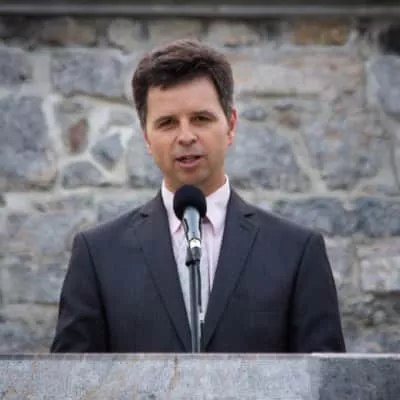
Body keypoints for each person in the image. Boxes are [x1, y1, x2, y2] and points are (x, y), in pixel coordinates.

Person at [51, 39, 346, 353]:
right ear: (147, 138)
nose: (186, 136)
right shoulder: (98, 255)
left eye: (201, 119)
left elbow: (326, 375)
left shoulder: (296, 252)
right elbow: (73, 375)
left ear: (230, 126)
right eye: (167, 123)